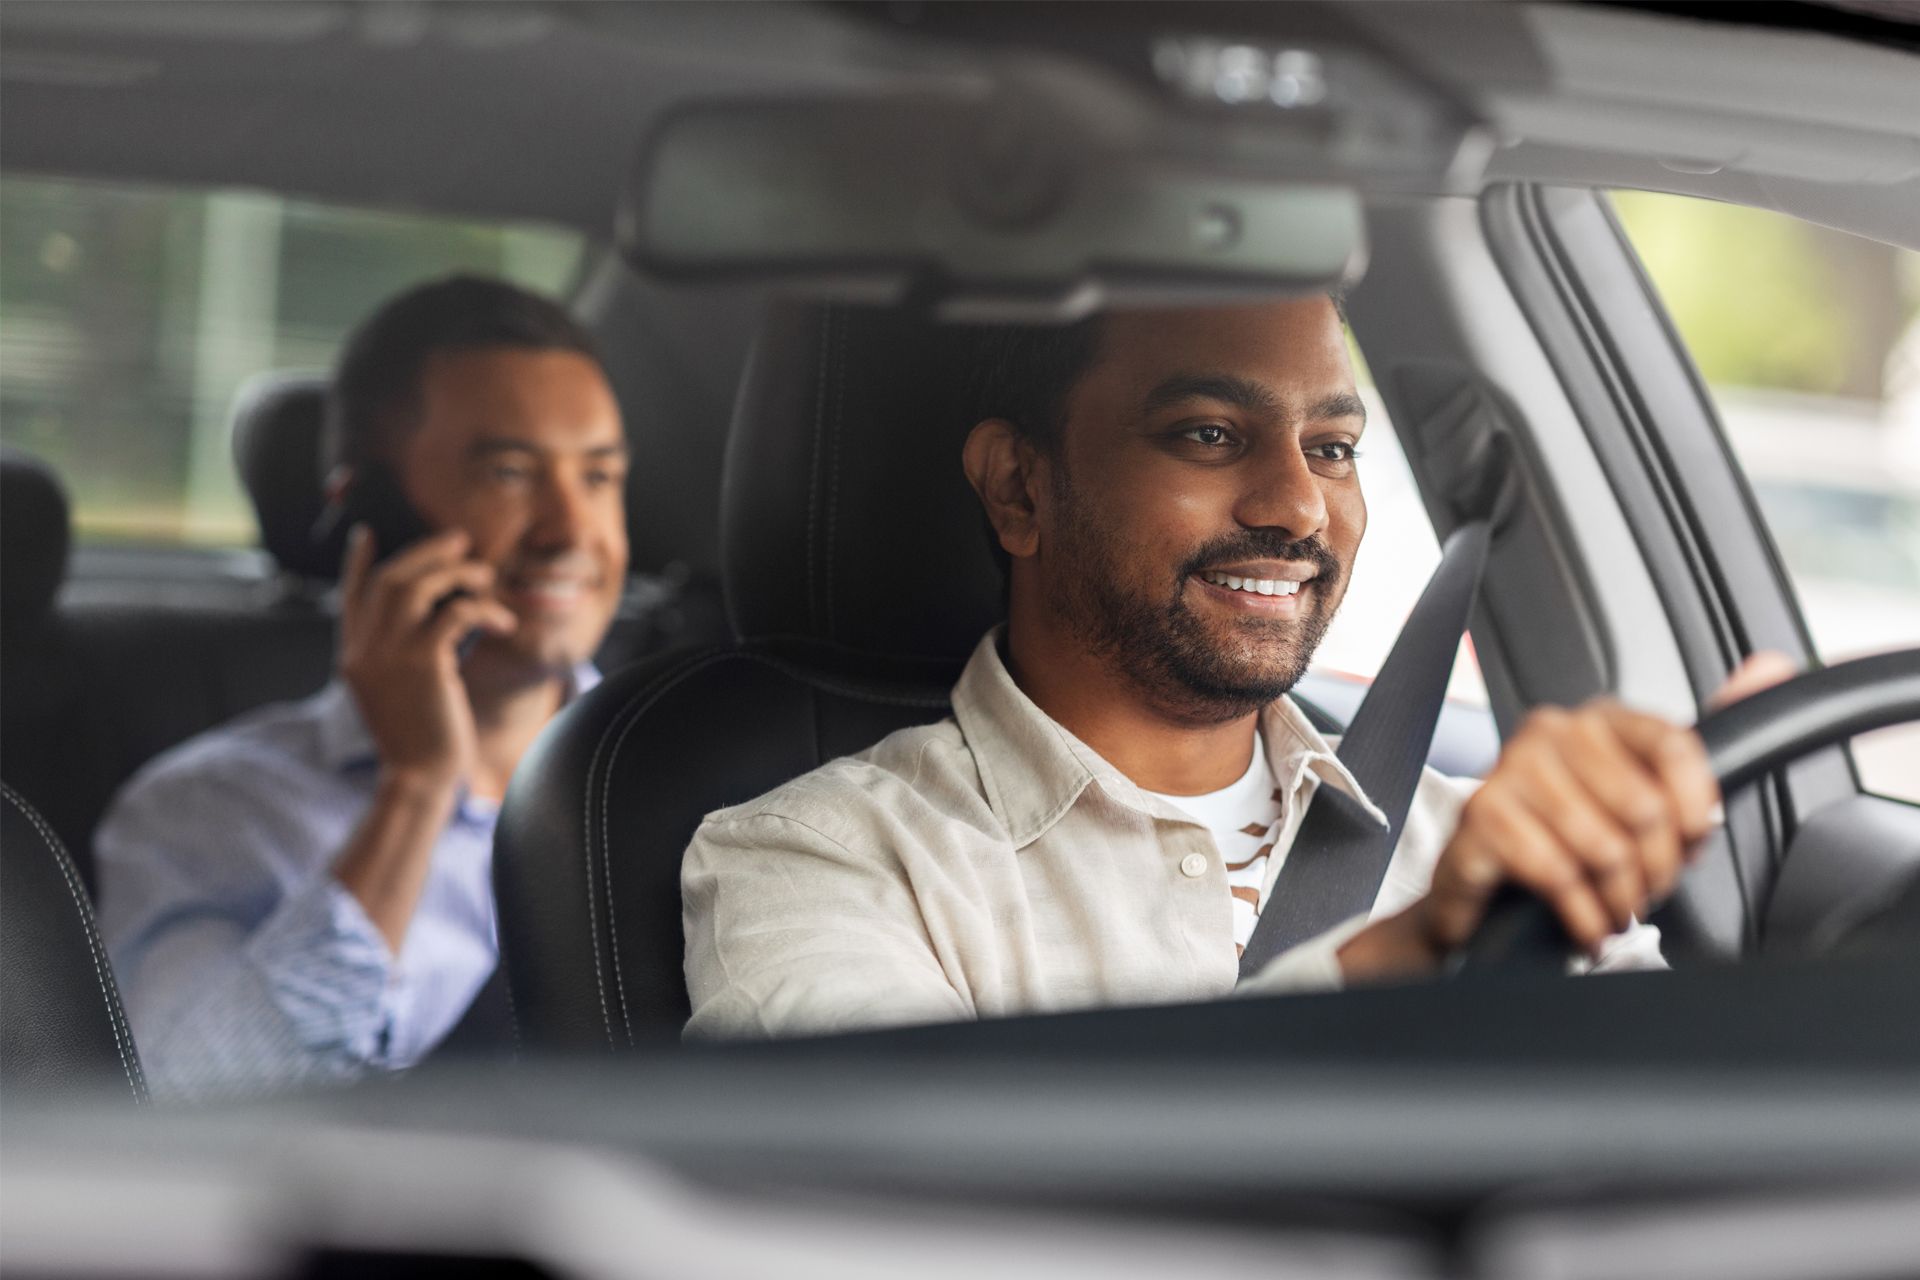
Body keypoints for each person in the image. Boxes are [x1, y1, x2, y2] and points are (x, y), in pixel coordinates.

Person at [681, 297, 1791, 1038]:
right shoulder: (815, 862)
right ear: (1020, 486)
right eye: (1209, 433)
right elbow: (915, 1209)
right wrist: (1419, 951)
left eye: (1335, 447)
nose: (1299, 504)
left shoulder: (1466, 841)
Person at [96, 277, 630, 1097]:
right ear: (374, 516)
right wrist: (415, 790)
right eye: (509, 473)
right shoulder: (201, 812)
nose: (570, 531)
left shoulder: (683, 783)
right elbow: (193, 1102)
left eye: (598, 478)